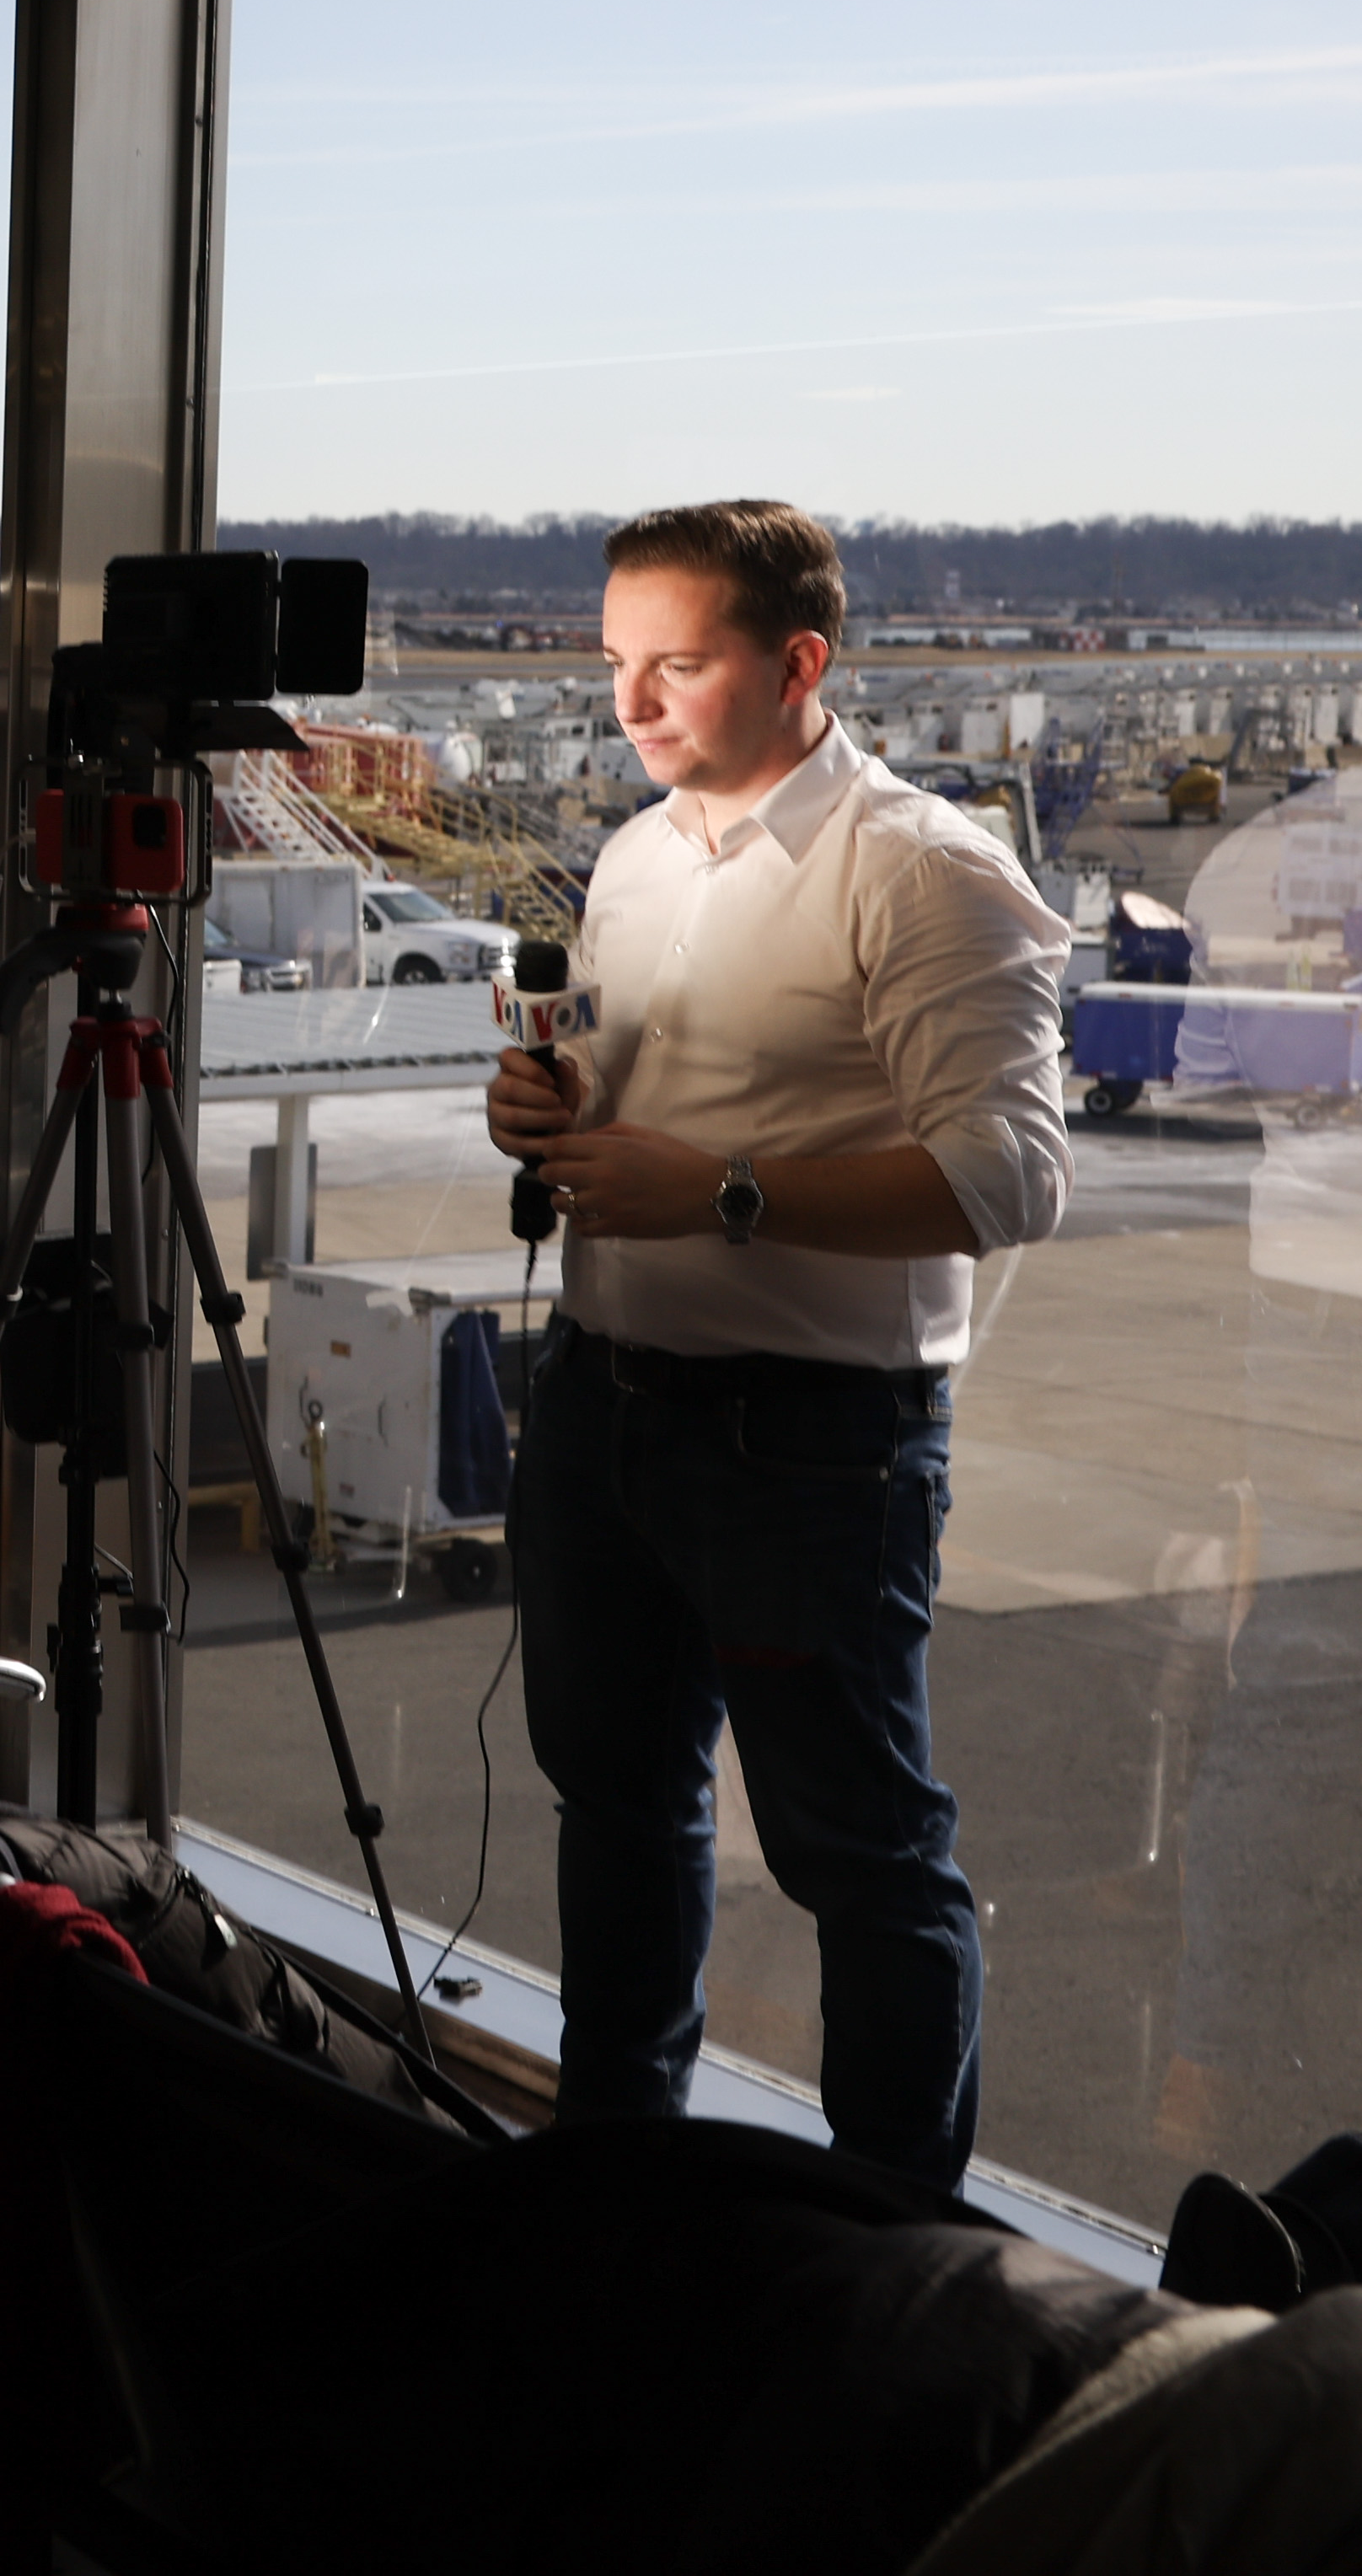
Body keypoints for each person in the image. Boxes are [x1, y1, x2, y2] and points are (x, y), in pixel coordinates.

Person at [485, 498, 1071, 2197]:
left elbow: (1010, 1175)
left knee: (859, 1852)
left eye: (676, 662)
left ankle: (893, 2245)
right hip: (603, 1399)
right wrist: (562, 1105)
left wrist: (723, 1189)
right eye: (613, 663)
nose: (633, 705)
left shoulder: (928, 869)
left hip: (810, 1439)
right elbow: (665, 1107)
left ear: (801, 660)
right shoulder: (645, 852)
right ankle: (616, 2172)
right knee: (616, 1804)